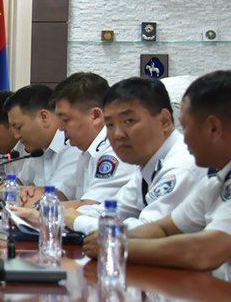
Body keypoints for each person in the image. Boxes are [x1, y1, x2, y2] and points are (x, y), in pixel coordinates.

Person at [83, 71, 231, 270]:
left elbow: (204, 252)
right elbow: (162, 228)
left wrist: (115, 245)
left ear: (213, 128)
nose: (183, 138)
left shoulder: (184, 165)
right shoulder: (215, 182)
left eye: (185, 127)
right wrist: (113, 236)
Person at [67, 77, 205, 235]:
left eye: (129, 121)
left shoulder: (182, 165)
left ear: (164, 121)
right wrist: (64, 215)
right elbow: (113, 210)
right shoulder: (149, 164)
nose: (117, 134)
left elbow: (148, 232)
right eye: (110, 124)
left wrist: (77, 220)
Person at [23, 73, 135, 209]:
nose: (60, 128)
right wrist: (35, 194)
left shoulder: (114, 150)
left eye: (65, 120)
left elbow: (90, 206)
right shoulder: (87, 152)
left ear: (95, 116)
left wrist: (39, 208)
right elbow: (65, 193)